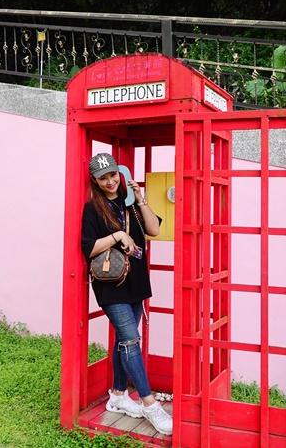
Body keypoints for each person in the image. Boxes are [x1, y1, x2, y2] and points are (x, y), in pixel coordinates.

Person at [80, 152, 173, 436]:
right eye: (103, 178)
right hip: (111, 284)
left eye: (112, 175)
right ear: (95, 180)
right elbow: (89, 247)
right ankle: (149, 404)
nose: (109, 182)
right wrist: (119, 236)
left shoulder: (129, 203)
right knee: (131, 340)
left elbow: (154, 229)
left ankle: (118, 395)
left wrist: (140, 198)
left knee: (125, 340)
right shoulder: (93, 209)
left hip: (136, 280)